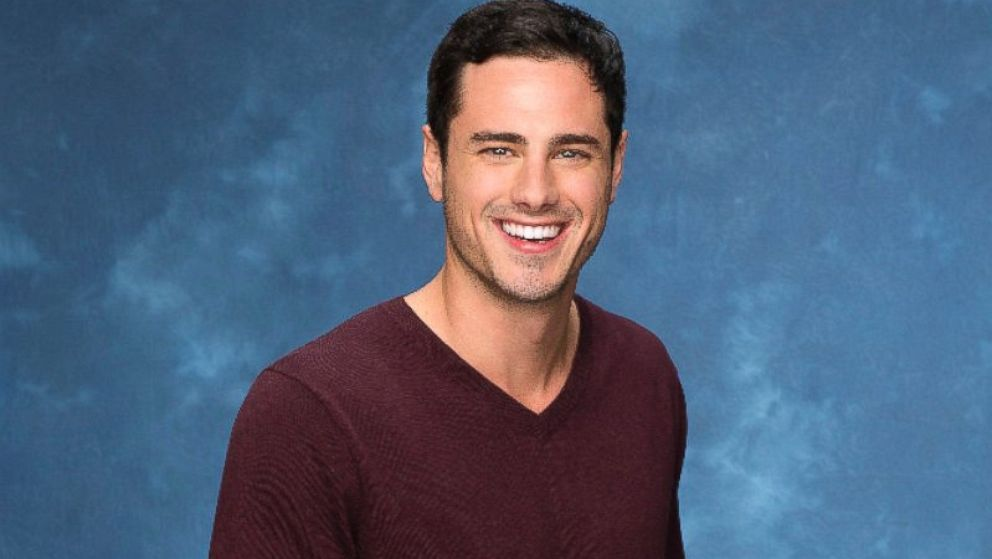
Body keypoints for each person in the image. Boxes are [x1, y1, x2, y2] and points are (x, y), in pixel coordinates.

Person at [209, 1, 687, 557]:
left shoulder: (643, 376)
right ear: (435, 161)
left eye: (571, 152)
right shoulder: (309, 414)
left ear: (616, 167)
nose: (536, 192)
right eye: (499, 150)